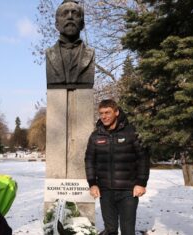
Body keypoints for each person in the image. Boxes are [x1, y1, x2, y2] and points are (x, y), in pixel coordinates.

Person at [85, 99, 150, 235]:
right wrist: (92, 183)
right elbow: (89, 160)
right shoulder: (95, 136)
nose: (104, 116)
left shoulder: (131, 132)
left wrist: (141, 183)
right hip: (105, 191)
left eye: (107, 112)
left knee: (127, 230)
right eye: (101, 113)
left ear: (116, 112)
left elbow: (143, 158)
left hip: (128, 190)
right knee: (110, 230)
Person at [46, 0, 95, 89]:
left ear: (82, 25)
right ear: (56, 25)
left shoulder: (90, 53)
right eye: (64, 14)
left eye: (75, 14)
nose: (70, 17)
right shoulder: (50, 53)